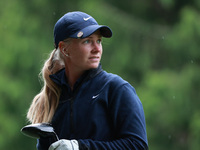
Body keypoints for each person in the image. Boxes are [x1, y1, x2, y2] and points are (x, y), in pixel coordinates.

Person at [27, 11, 148, 150]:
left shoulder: (117, 89)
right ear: (64, 49)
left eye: (99, 41)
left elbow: (137, 146)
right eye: (87, 41)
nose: (97, 49)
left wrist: (81, 147)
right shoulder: (54, 97)